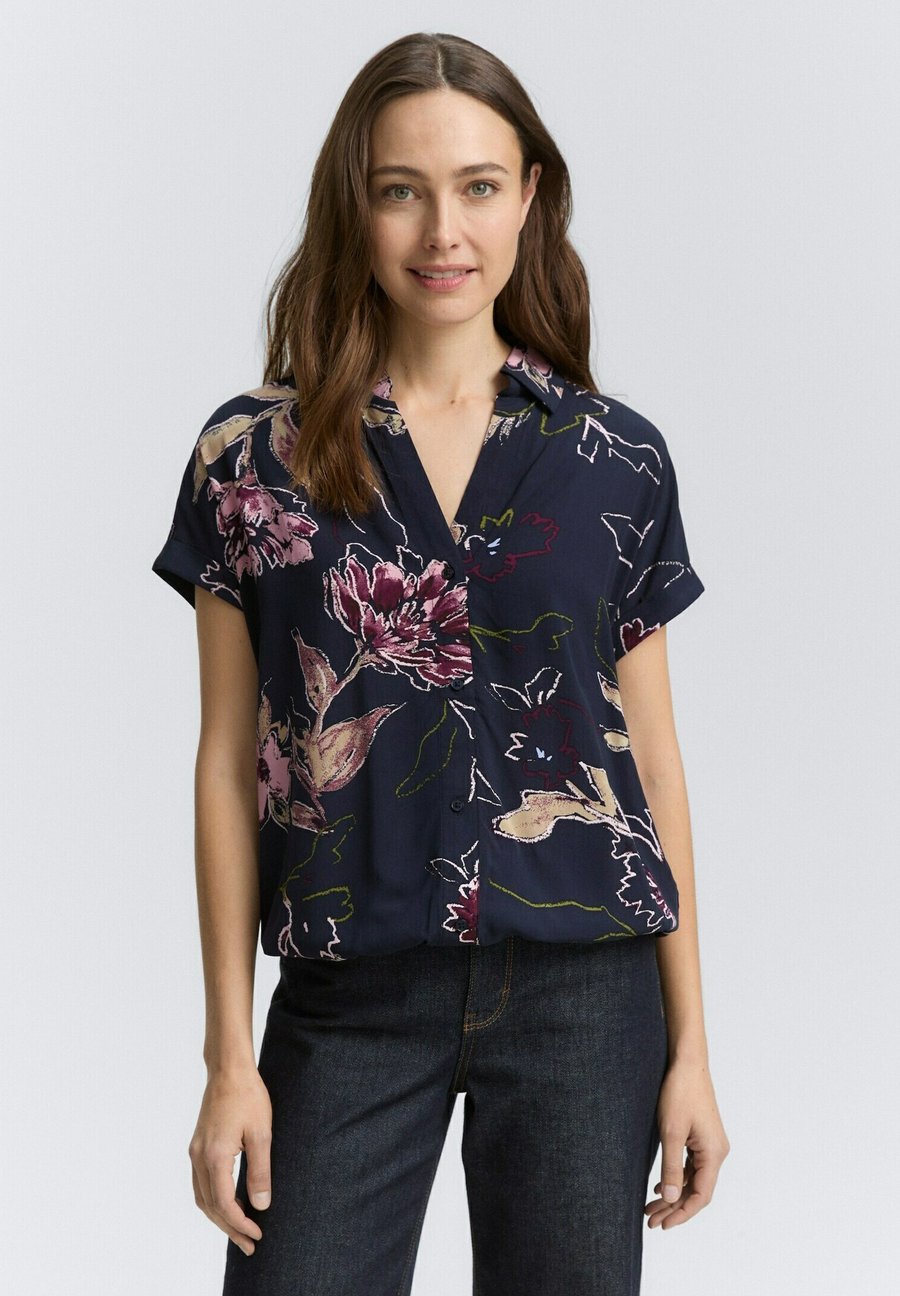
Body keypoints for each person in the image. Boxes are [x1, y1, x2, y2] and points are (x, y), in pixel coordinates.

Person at [151, 30, 729, 1296]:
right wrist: (228, 1059)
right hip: (347, 993)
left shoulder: (615, 458)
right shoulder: (251, 460)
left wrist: (693, 1048)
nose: (442, 231)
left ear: (530, 197)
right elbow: (226, 762)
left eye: (477, 186)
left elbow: (651, 759)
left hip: (586, 998)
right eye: (400, 190)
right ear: (352, 205)